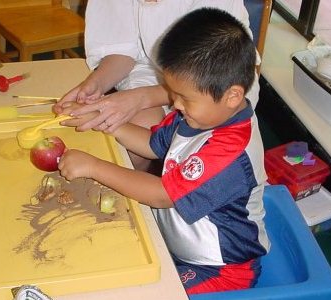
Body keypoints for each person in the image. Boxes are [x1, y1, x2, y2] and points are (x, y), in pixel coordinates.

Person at [58, 7, 269, 295]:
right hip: (181, 247)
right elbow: (152, 144)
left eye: (184, 97)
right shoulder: (198, 115)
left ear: (232, 95)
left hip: (221, 271)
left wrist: (93, 166)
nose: (176, 105)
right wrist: (105, 123)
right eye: (174, 94)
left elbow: (162, 194)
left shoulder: (231, 151)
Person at [53, 0, 261, 171]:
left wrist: (97, 167)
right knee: (133, 128)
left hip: (211, 82)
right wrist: (96, 83)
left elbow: (209, 79)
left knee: (137, 130)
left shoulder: (223, 120)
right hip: (154, 69)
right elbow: (122, 49)